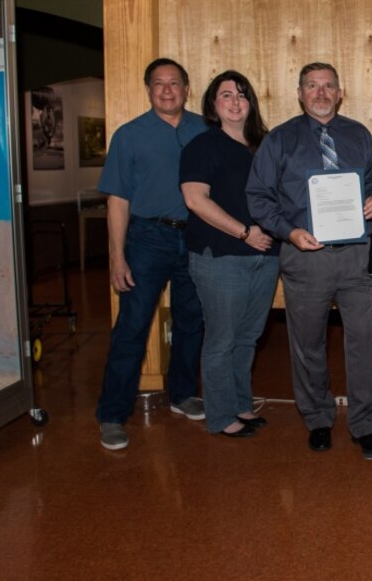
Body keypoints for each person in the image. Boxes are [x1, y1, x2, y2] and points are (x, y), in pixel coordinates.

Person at [247, 62, 372, 456]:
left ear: (340, 93)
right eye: (312, 86)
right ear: (300, 93)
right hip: (305, 256)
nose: (321, 93)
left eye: (328, 86)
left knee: (362, 341)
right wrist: (289, 232)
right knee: (308, 342)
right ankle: (318, 418)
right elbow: (258, 196)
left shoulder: (358, 134)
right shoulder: (280, 139)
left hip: (357, 256)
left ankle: (363, 421)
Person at [96, 58, 208, 451]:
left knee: (192, 321)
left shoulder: (205, 130)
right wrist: (117, 257)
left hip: (196, 237)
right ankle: (112, 414)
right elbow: (117, 200)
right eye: (158, 83)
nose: (166, 90)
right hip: (147, 239)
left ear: (186, 88)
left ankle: (183, 394)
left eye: (174, 83)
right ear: (148, 90)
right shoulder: (129, 136)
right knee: (132, 326)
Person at [180, 71, 279, 439]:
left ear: (250, 102)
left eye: (241, 95)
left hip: (266, 255)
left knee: (248, 336)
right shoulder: (202, 146)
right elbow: (195, 200)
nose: (235, 102)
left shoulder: (265, 146)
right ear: (213, 104)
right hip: (221, 256)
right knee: (221, 339)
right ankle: (220, 416)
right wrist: (244, 233)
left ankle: (240, 403)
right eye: (226, 95)